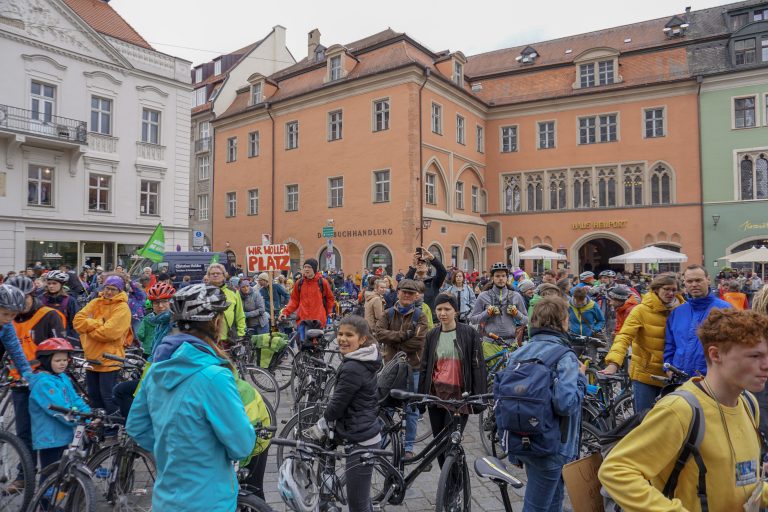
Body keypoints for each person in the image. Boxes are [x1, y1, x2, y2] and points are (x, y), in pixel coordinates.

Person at [599, 308, 768, 511]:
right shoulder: (680, 410)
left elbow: (741, 477)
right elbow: (615, 470)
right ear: (715, 354)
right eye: (755, 356)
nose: (765, 364)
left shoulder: (748, 403)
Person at [126, 284, 255, 511]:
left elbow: (136, 425)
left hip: (166, 497)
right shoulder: (215, 376)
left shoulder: (157, 369)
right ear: (216, 323)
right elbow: (242, 444)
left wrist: (171, 449)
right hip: (208, 497)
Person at [503, 297, 586, 511]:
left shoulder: (518, 353)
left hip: (524, 439)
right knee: (537, 506)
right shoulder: (564, 356)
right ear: (562, 321)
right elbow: (566, 404)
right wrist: (580, 379)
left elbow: (508, 400)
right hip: (554, 445)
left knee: (554, 500)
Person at [303, 315, 382, 512]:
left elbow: (337, 406)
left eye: (349, 335)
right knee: (363, 500)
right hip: (365, 431)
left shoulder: (353, 367)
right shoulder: (364, 358)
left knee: (357, 504)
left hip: (361, 439)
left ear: (362, 339)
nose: (342, 339)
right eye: (340, 334)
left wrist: (323, 421)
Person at [419, 293, 486, 465]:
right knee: (438, 443)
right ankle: (446, 484)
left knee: (451, 443)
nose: (443, 313)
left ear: (455, 311)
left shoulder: (468, 333)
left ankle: (455, 482)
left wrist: (479, 397)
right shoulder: (432, 335)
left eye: (447, 309)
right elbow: (425, 367)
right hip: (436, 395)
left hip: (458, 397)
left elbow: (477, 366)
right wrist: (421, 397)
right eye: (439, 309)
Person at [602, 273, 684, 411]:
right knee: (644, 420)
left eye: (674, 290)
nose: (671, 293)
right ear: (656, 289)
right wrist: (614, 363)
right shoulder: (641, 310)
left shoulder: (683, 309)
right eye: (666, 289)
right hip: (646, 374)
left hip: (674, 374)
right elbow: (624, 336)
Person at [375, 279, 429, 459]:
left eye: (410, 293)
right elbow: (379, 333)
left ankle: (408, 447)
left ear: (415, 296)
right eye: (404, 292)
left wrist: (395, 342)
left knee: (411, 411)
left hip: (413, 367)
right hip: (391, 368)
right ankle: (381, 444)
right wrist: (403, 335)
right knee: (386, 408)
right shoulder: (388, 313)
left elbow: (418, 342)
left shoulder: (420, 316)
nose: (407, 295)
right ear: (398, 293)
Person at [25, 338, 91, 473]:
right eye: (57, 360)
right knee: (50, 474)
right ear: (46, 361)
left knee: (62, 471)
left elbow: (75, 399)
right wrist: (84, 420)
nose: (62, 364)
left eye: (65, 360)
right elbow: (61, 411)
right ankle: (45, 495)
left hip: (63, 434)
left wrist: (88, 414)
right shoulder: (44, 383)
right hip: (50, 439)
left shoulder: (62, 377)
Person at [73, 275, 132, 416]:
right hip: (91, 357)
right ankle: (100, 426)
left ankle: (114, 425)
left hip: (110, 359)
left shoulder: (122, 308)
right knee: (93, 397)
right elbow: (77, 322)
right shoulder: (95, 302)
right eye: (107, 288)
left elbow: (109, 333)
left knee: (108, 397)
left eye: (113, 289)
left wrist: (88, 330)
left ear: (120, 291)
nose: (109, 292)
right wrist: (99, 322)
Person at [665, 265, 732, 379]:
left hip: (711, 380)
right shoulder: (677, 312)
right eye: (689, 281)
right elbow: (670, 344)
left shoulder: (725, 310)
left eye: (698, 280)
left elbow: (733, 345)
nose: (694, 284)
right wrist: (668, 368)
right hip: (679, 380)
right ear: (684, 283)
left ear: (708, 280)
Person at [469, 262, 528, 341]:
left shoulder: (516, 296)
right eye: (497, 276)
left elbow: (526, 320)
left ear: (507, 278)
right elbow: (473, 319)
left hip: (510, 342)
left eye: (503, 276)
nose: (501, 278)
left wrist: (517, 314)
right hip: (490, 343)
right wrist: (487, 313)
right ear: (492, 278)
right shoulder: (483, 296)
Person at [278, 258, 335, 340]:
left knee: (316, 348)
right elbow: (294, 300)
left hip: (317, 320)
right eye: (305, 267)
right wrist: (285, 312)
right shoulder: (299, 283)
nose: (306, 269)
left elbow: (330, 298)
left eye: (309, 267)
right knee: (303, 346)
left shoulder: (322, 282)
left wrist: (329, 312)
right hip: (303, 319)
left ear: (314, 269)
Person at [205, 263, 245, 344]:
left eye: (218, 273)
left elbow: (240, 314)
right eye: (212, 273)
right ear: (208, 276)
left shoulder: (233, 291)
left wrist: (241, 334)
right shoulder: (203, 292)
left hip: (229, 338)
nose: (215, 275)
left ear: (224, 276)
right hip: (209, 339)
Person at [405, 247, 447, 321]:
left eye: (423, 263)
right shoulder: (411, 282)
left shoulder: (433, 281)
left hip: (432, 319)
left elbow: (443, 272)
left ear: (427, 267)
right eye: (418, 263)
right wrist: (413, 266)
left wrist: (432, 259)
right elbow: (404, 284)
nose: (420, 264)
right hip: (414, 319)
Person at [39, 270, 79, 341]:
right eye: (49, 283)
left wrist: (72, 340)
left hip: (64, 339)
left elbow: (75, 323)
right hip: (43, 339)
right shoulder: (41, 299)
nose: (51, 286)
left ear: (61, 284)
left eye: (54, 283)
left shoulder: (70, 301)